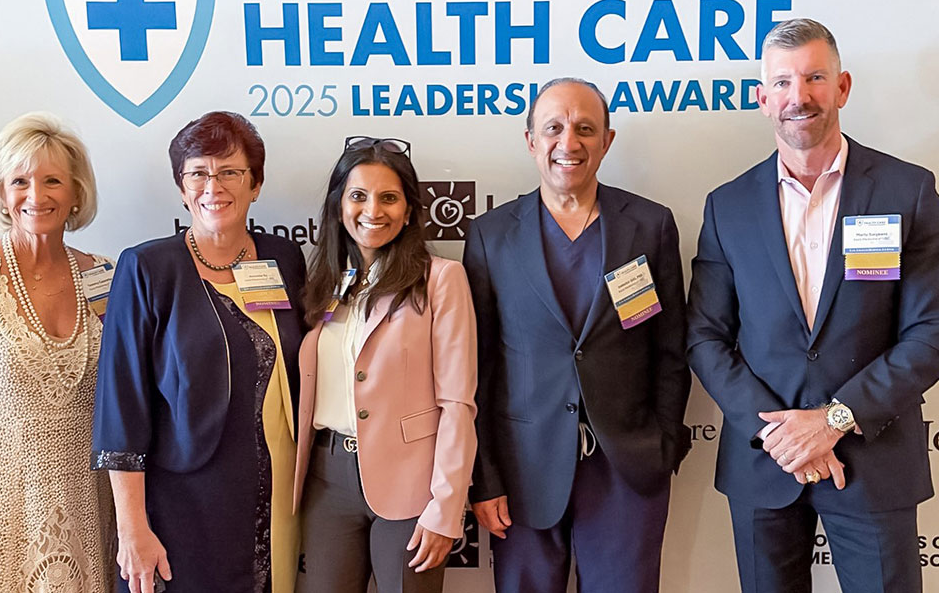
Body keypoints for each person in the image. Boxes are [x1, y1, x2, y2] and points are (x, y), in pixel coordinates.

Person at [687, 18, 939, 592]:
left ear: (842, 87)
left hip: (873, 463)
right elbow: (705, 335)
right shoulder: (727, 207)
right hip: (763, 463)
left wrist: (832, 420)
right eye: (781, 83)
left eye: (814, 78)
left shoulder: (908, 191)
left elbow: (931, 332)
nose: (798, 97)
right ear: (761, 98)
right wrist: (782, 434)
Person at [463, 78, 692, 592]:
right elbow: (477, 367)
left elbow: (670, 350)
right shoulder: (491, 234)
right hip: (523, 471)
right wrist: (486, 476)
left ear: (607, 140)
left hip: (626, 470)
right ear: (530, 141)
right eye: (554, 128)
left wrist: (664, 443)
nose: (569, 143)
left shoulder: (650, 225)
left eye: (585, 129)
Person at [91, 111, 307, 593]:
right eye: (199, 172)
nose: (215, 185)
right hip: (183, 502)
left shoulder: (283, 258)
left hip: (278, 496)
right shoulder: (148, 267)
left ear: (256, 184)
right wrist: (132, 528)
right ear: (182, 185)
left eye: (230, 171)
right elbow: (121, 403)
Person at [293, 137, 477, 593]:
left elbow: (458, 403)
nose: (372, 210)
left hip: (412, 484)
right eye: (358, 196)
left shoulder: (441, 281)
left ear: (410, 209)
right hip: (326, 480)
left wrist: (446, 506)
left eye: (389, 197)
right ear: (339, 207)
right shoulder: (324, 283)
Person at [0, 112, 112, 592]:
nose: (36, 196)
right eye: (20, 181)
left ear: (76, 192)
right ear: (0, 192)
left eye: (53, 180)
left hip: (89, 514)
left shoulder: (107, 277)